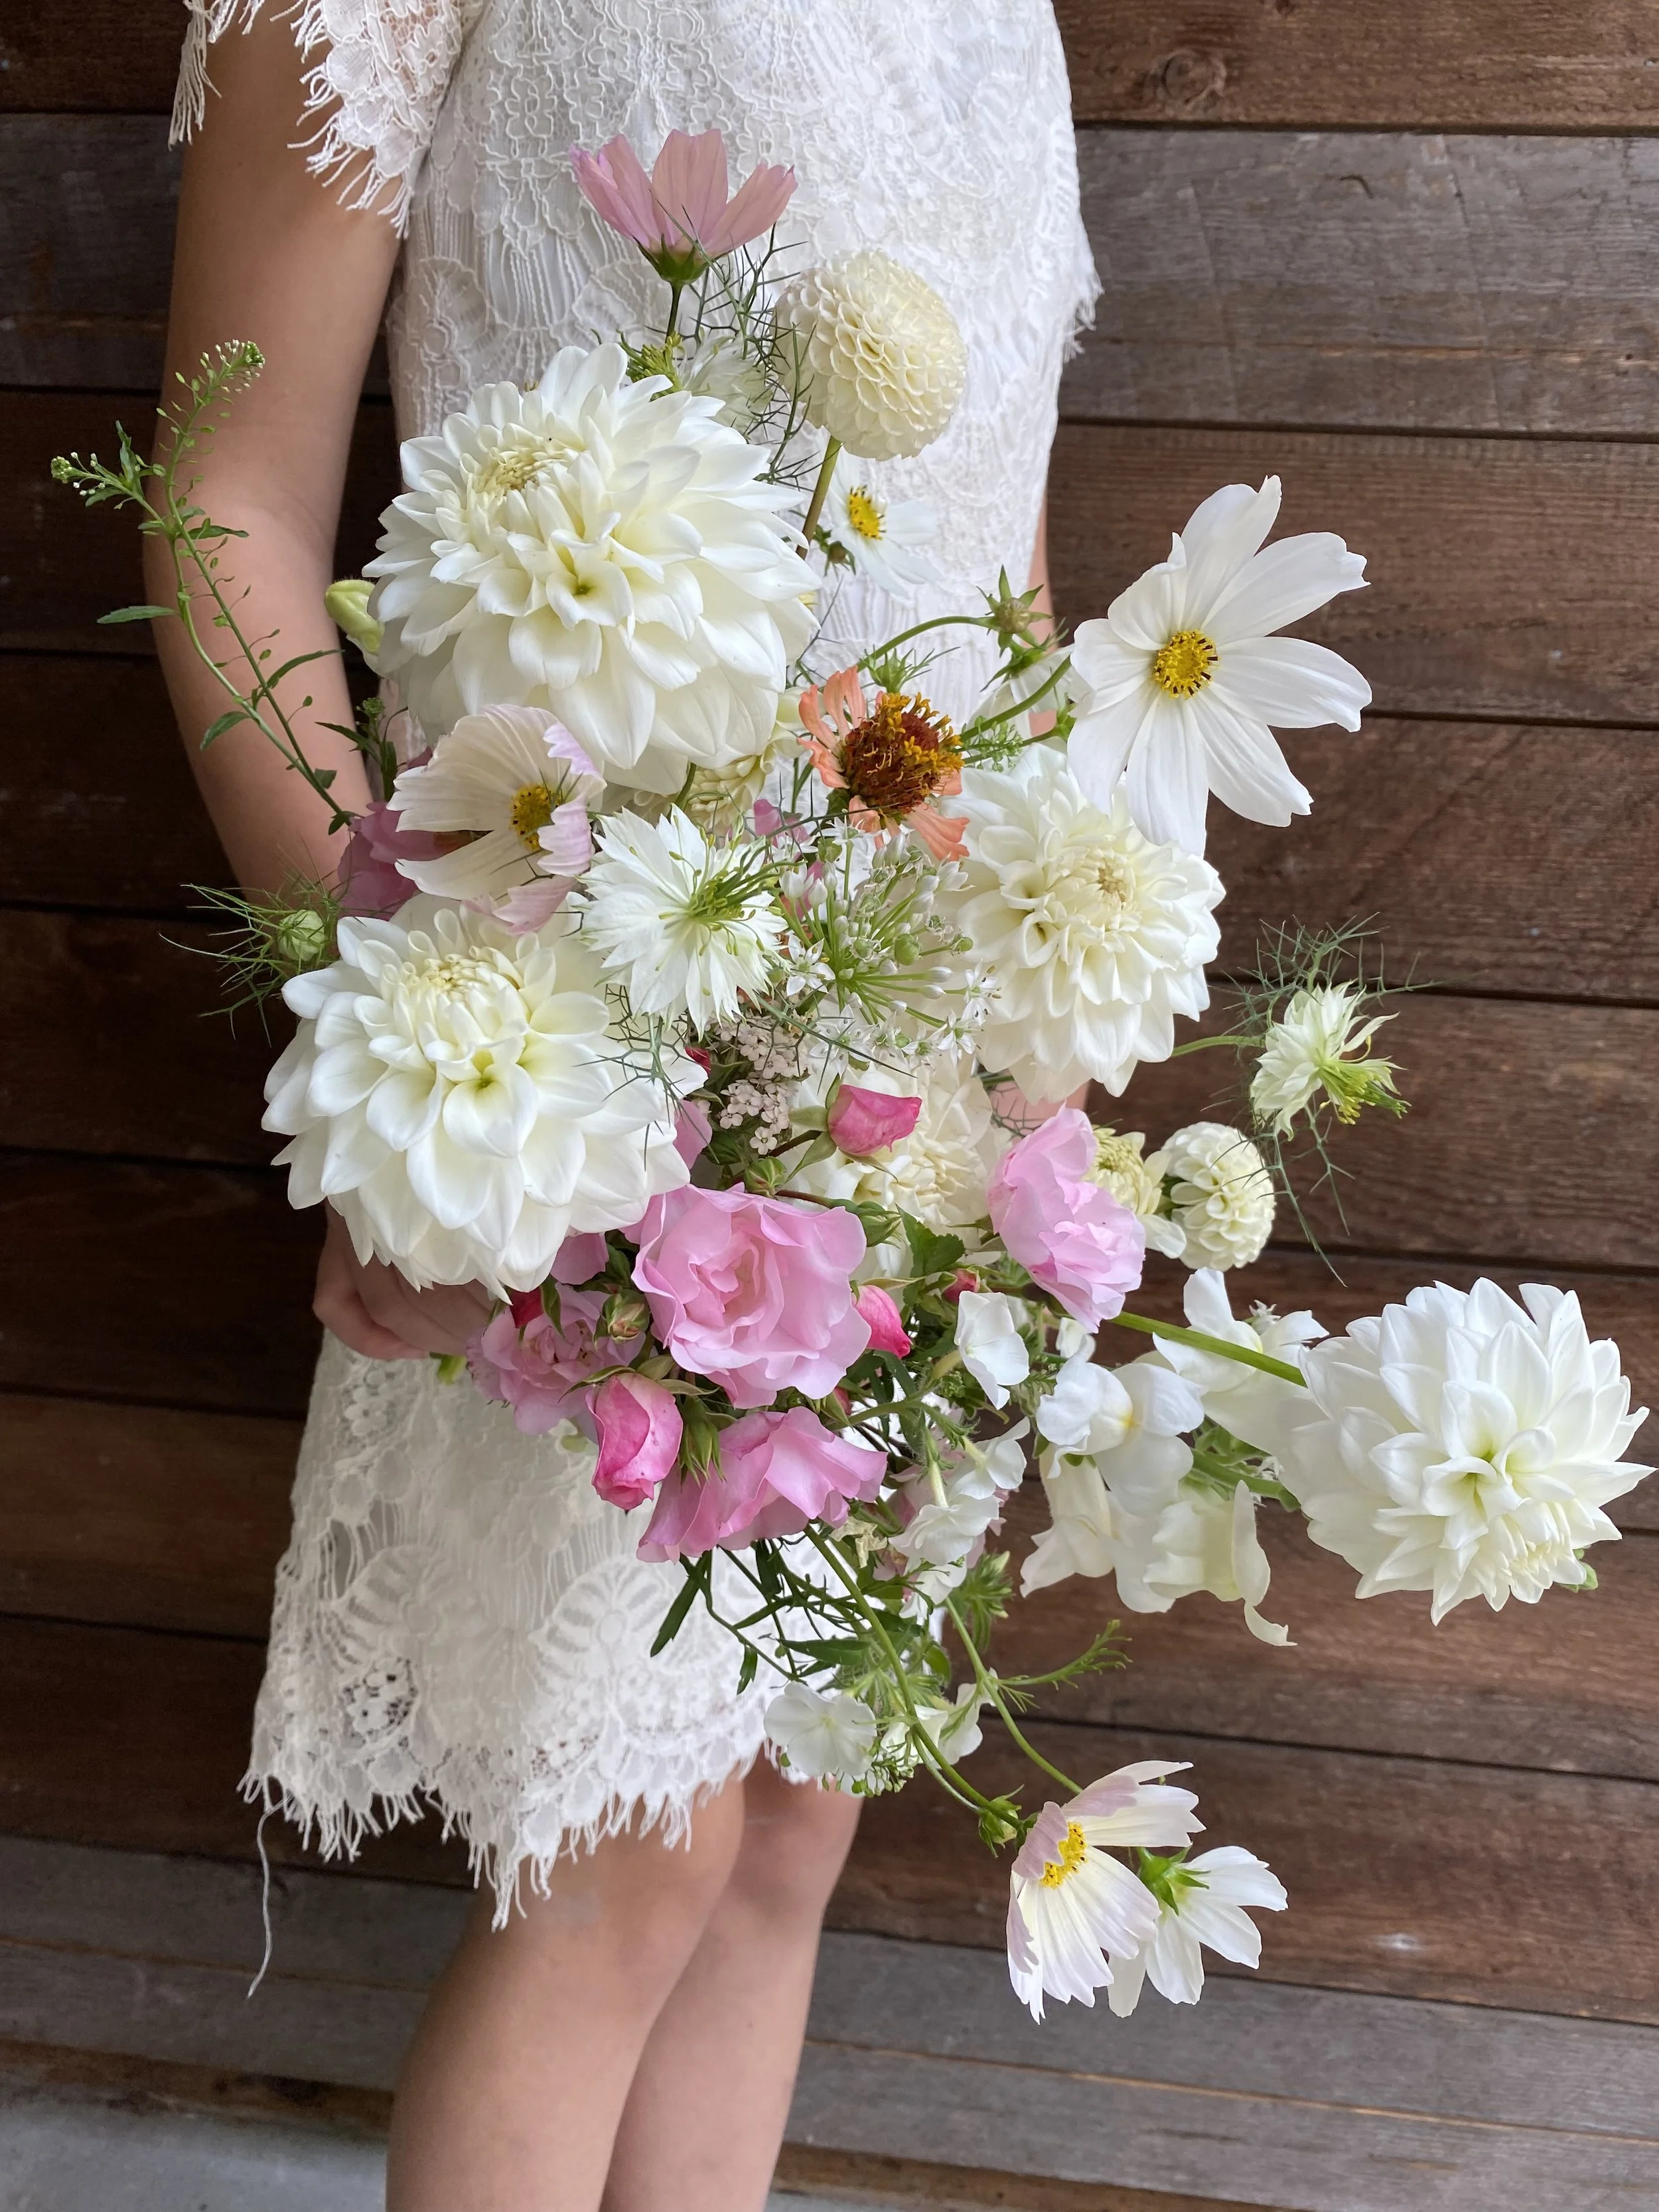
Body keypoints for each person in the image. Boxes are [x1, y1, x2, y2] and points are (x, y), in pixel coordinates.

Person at [154, 6, 1096, 2205]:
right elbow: (226, 497)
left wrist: (1047, 1040)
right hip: (572, 1019)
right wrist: (413, 1026)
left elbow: (993, 564)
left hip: (912, 1072)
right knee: (623, 1847)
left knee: (783, 1827)